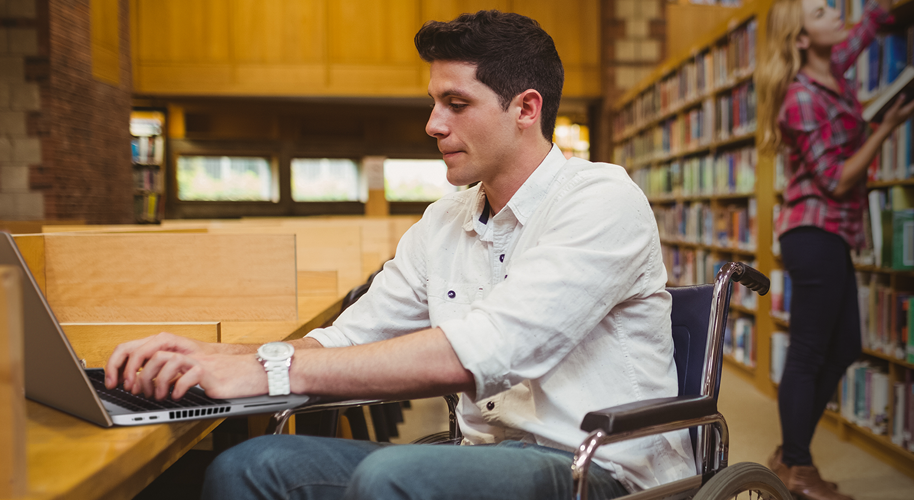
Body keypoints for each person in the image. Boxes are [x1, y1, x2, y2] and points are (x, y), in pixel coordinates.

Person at [103, 10, 694, 500]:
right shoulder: (445, 221)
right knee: (249, 467)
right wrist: (216, 358)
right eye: (435, 103)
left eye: (456, 103)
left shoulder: (602, 200)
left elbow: (484, 352)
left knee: (393, 477)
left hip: (598, 469)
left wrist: (266, 370)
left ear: (526, 109)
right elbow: (348, 339)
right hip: (481, 459)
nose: (433, 124)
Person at [757, 0, 914, 499]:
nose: (835, 13)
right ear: (802, 39)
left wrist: (882, 11)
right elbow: (835, 180)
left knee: (846, 345)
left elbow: (865, 28)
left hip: (835, 233)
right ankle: (799, 467)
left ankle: (790, 457)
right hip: (813, 232)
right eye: (821, 12)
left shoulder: (833, 72)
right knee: (809, 352)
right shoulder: (801, 97)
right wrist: (886, 129)